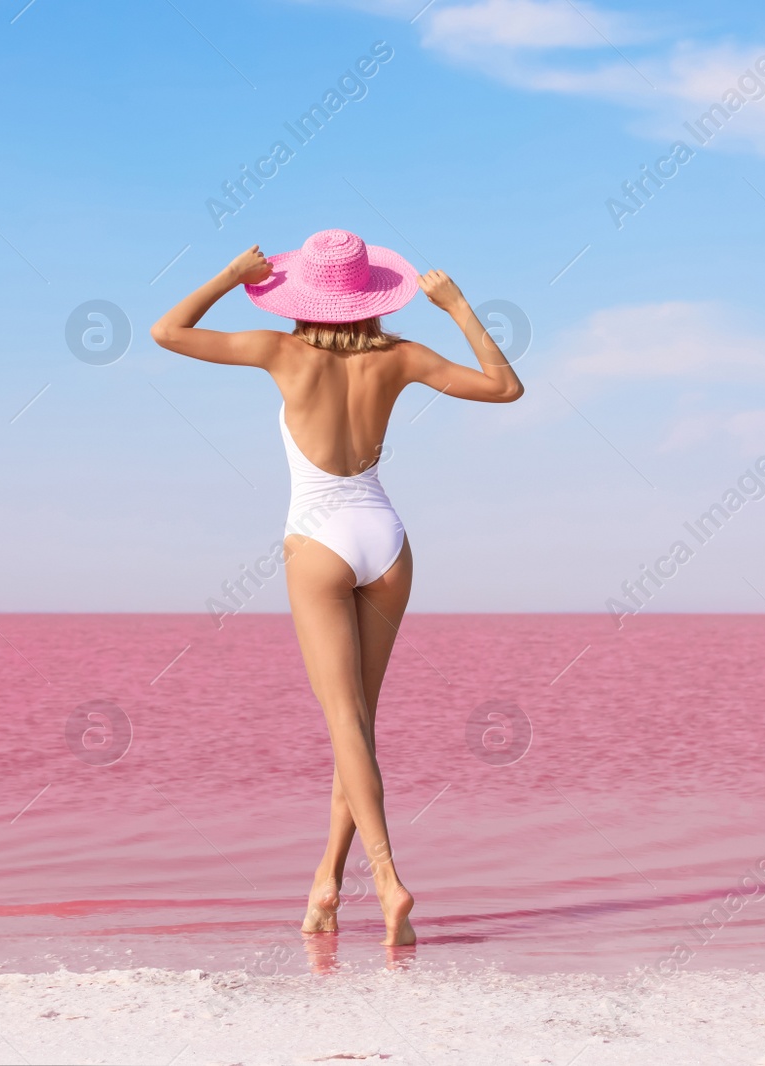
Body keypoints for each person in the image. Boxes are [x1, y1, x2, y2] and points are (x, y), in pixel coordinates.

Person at [151, 229, 523, 946]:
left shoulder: (279, 351)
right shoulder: (401, 358)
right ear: (371, 298)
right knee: (357, 731)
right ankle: (326, 885)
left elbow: (168, 331)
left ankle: (386, 880)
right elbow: (506, 387)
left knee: (346, 728)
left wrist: (231, 272)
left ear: (304, 296)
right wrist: (457, 306)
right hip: (386, 541)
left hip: (317, 543)